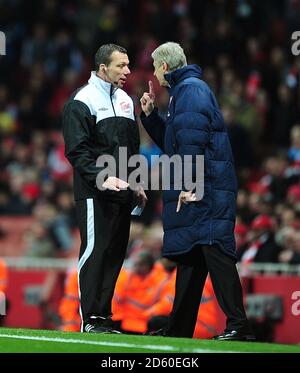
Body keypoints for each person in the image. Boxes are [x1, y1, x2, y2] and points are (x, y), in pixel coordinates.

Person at [140, 42, 255, 341]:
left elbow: (192, 142)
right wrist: (151, 117)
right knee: (191, 257)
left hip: (207, 189)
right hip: (205, 186)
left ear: (164, 67)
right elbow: (176, 143)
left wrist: (190, 184)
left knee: (215, 251)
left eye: (154, 67)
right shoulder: (184, 93)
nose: (154, 72)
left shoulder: (190, 90)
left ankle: (239, 326)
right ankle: (178, 329)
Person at [62, 43, 147, 333]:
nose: (127, 71)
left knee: (114, 254)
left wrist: (136, 181)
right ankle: (90, 319)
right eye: (121, 65)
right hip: (94, 190)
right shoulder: (81, 100)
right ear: (102, 68)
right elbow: (76, 151)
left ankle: (102, 317)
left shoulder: (125, 100)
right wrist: (102, 177)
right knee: (95, 250)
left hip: (122, 190)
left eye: (127, 64)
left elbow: (133, 147)